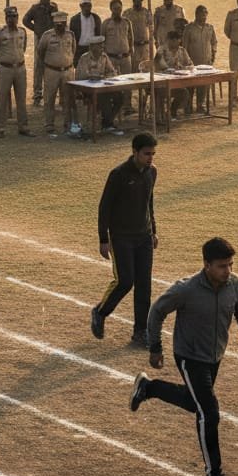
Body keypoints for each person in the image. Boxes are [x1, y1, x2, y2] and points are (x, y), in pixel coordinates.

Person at [129, 236, 238, 476]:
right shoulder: (186, 289)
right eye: (222, 266)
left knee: (194, 402)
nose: (228, 271)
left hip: (215, 356)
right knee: (209, 413)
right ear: (207, 265)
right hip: (189, 356)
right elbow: (156, 311)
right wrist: (155, 346)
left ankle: (148, 388)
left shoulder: (236, 285)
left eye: (231, 265)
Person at [91, 133, 158, 344]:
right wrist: (104, 239)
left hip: (144, 237)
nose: (150, 158)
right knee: (125, 281)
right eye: (147, 154)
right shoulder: (118, 174)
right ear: (135, 152)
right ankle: (100, 312)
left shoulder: (152, 172)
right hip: (121, 238)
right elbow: (105, 208)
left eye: (153, 154)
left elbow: (149, 202)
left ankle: (140, 332)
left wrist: (153, 231)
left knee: (144, 286)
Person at [0, 6, 33, 139]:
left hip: (20, 68)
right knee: (2, 98)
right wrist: (2, 62)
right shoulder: (0, 33)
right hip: (5, 69)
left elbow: (23, 48)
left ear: (17, 18)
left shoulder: (22, 32)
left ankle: (23, 127)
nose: (11, 20)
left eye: (14, 17)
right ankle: (1, 128)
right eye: (9, 17)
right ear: (6, 19)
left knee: (21, 98)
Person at [75, 36, 122, 136]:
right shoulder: (84, 58)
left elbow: (112, 72)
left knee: (120, 96)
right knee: (103, 98)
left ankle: (107, 121)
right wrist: (95, 76)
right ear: (92, 47)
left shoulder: (104, 57)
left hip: (103, 87)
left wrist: (104, 76)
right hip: (88, 90)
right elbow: (82, 75)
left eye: (102, 46)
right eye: (99, 46)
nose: (102, 48)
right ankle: (108, 124)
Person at [38, 10, 75, 137]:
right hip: (52, 71)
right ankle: (49, 125)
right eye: (57, 25)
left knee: (67, 99)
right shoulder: (47, 36)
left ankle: (67, 124)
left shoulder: (70, 35)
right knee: (50, 99)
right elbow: (40, 52)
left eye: (62, 24)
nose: (60, 27)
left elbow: (73, 51)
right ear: (54, 24)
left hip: (67, 71)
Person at [22, 0, 58, 105]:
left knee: (51, 64)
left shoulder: (53, 7)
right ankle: (37, 94)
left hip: (51, 39)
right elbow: (25, 20)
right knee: (39, 66)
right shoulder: (35, 8)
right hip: (40, 38)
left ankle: (49, 93)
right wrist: (35, 29)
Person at [182, 5, 218, 114]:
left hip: (206, 63)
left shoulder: (209, 28)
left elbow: (214, 42)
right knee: (190, 86)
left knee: (203, 85)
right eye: (202, 14)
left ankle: (200, 105)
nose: (204, 17)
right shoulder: (189, 28)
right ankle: (188, 106)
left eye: (205, 15)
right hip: (192, 63)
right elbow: (184, 46)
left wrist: (213, 55)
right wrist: (186, 61)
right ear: (196, 15)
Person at [70, 0, 103, 66]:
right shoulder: (74, 19)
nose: (87, 8)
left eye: (89, 6)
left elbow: (99, 34)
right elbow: (72, 36)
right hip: (79, 50)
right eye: (84, 6)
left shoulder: (96, 18)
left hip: (92, 49)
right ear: (80, 6)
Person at [126, 0, 152, 73]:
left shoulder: (147, 12)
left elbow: (151, 29)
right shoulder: (127, 13)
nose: (138, 1)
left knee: (145, 69)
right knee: (134, 69)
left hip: (145, 46)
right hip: (133, 46)